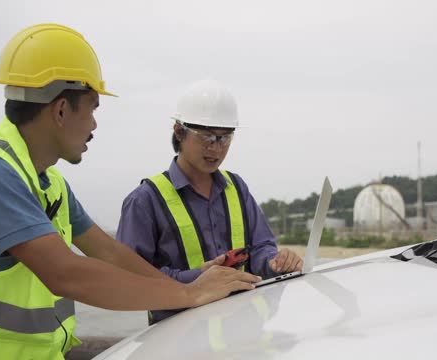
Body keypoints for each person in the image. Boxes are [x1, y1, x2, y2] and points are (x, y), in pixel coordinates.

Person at [0, 24, 259, 360]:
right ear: (62, 110)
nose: (94, 124)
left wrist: (187, 290)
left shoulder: (49, 183)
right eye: (92, 108)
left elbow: (111, 254)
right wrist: (188, 296)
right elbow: (66, 273)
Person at [116, 79, 303, 324]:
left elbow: (260, 247)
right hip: (178, 342)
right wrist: (197, 278)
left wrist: (274, 262)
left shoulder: (236, 188)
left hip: (244, 337)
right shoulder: (144, 202)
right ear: (179, 131)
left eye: (225, 138)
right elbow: (128, 280)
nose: (216, 149)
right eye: (207, 137)